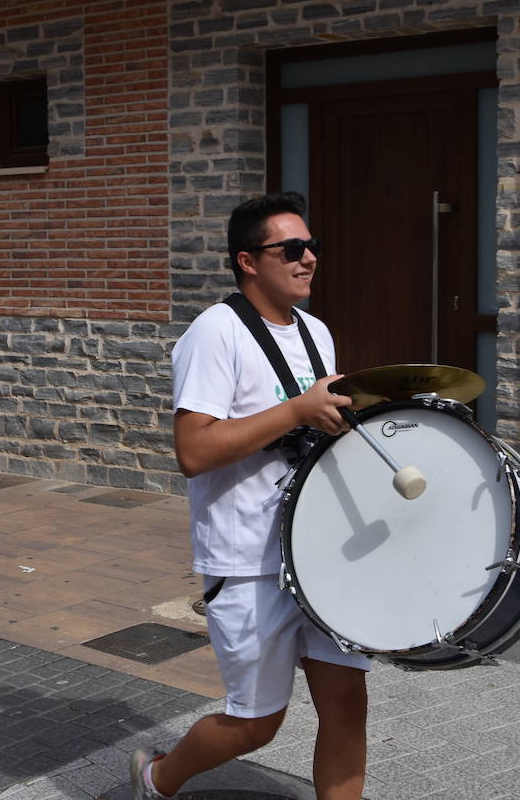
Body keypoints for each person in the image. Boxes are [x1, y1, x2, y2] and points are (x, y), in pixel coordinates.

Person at [133, 192, 369, 799]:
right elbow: (193, 451)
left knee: (346, 705)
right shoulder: (215, 332)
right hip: (248, 560)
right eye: (291, 248)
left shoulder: (316, 332)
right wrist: (296, 410)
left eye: (312, 245)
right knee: (256, 724)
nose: (309, 257)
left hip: (320, 555)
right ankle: (156, 778)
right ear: (248, 261)